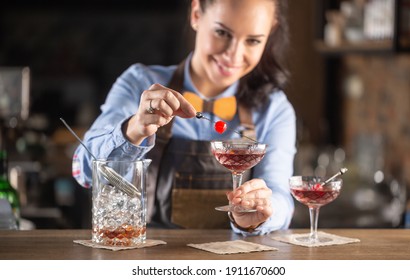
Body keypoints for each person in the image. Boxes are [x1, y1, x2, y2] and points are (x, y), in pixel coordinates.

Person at [72, 0, 296, 236]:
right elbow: (83, 172)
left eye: (253, 40)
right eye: (222, 32)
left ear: (270, 32)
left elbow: (281, 198)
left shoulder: (274, 108)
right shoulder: (138, 82)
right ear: (197, 14)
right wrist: (135, 128)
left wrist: (258, 214)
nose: (234, 54)